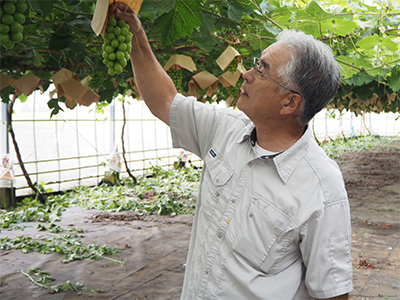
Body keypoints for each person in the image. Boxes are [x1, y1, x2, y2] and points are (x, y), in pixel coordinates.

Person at [110, 3, 353, 300]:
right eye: (255, 63)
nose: (247, 74)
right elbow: (165, 101)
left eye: (262, 71)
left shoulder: (321, 186)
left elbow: (331, 293)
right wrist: (136, 35)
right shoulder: (224, 128)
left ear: (289, 103)